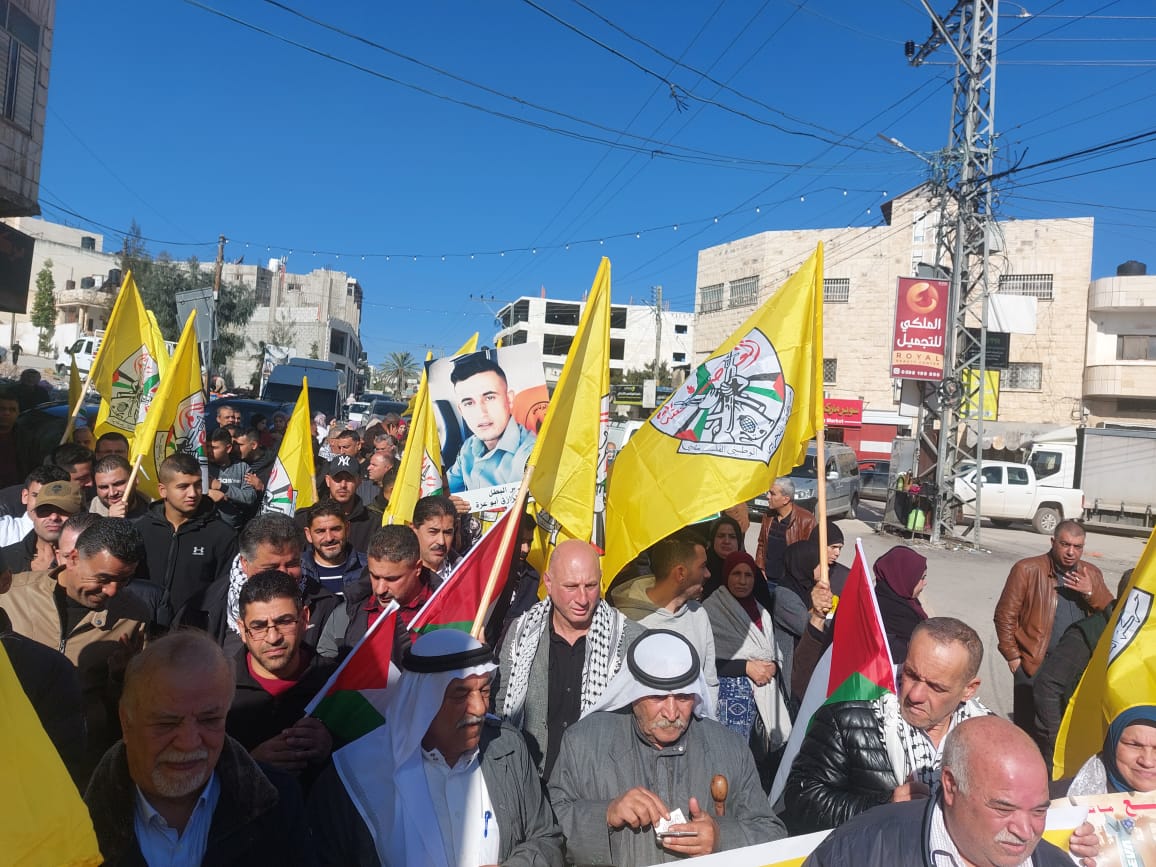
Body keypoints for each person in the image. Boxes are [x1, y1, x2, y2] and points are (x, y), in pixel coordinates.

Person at [309, 629, 565, 865]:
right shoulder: (351, 776)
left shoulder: (506, 748)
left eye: (484, 691)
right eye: (460, 695)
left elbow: (546, 838)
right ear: (423, 701)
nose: (479, 708)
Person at [549, 630, 787, 865]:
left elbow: (771, 833)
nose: (672, 713)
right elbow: (547, 831)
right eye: (657, 697)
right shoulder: (583, 744)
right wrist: (607, 814)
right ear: (633, 694)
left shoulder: (730, 748)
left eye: (683, 697)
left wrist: (721, 837)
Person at [83, 630, 315, 865]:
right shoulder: (73, 807)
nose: (189, 742)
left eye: (209, 720)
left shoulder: (278, 800)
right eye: (167, 723)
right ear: (126, 722)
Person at [781, 617, 990, 834]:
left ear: (969, 689)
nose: (915, 695)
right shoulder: (847, 717)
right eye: (911, 674)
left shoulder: (990, 738)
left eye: (936, 687)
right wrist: (883, 807)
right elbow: (801, 799)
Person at [803, 716, 1075, 867]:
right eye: (1004, 809)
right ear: (951, 786)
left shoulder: (1056, 863)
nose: (1025, 831)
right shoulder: (859, 851)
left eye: (1039, 811)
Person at [4, 516, 156, 775]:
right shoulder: (12, 595)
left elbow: (134, 708)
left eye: (124, 580)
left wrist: (120, 679)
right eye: (103, 578)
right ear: (72, 559)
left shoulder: (133, 615)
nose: (112, 591)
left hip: (79, 762)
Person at [497, 539, 644, 780]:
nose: (583, 598)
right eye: (571, 586)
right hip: (528, 782)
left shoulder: (630, 640)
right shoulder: (520, 633)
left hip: (598, 786)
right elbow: (501, 707)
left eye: (591, 585)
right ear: (548, 583)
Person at [994, 519, 1112, 746]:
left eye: (1077, 547)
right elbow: (1005, 615)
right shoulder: (1027, 569)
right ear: (1053, 542)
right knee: (1028, 735)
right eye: (1065, 544)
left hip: (1074, 667)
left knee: (1063, 733)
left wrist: (1091, 592)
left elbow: (1110, 614)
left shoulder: (1091, 573)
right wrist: (1013, 657)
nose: (1071, 552)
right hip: (1034, 664)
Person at [227, 570, 336, 780]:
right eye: (259, 626)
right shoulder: (216, 689)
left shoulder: (336, 682)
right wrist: (250, 765)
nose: (273, 637)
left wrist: (332, 748)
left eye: (284, 622)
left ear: (304, 619)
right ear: (242, 629)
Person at [703, 550, 792, 791]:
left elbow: (772, 651)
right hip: (728, 703)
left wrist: (773, 665)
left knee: (757, 763)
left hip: (761, 701)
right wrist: (746, 667)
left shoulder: (762, 612)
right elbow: (706, 659)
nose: (742, 581)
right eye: (736, 574)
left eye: (748, 575)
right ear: (726, 576)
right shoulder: (710, 611)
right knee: (729, 762)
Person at [1034, 569, 1130, 769]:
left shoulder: (1141, 636)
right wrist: (1057, 738)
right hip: (1078, 747)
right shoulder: (1090, 633)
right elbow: (1048, 686)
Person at [611, 534, 719, 707]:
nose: (708, 574)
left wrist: (708, 720)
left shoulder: (699, 614)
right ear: (680, 573)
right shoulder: (624, 619)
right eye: (703, 566)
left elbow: (709, 682)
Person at [134, 453, 238, 627]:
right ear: (162, 490)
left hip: (195, 633)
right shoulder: (140, 530)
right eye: (183, 487)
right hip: (143, 629)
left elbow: (225, 593)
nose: (193, 493)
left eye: (198, 485)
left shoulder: (223, 535)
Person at [317, 523, 436, 661]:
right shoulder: (346, 614)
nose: (380, 589)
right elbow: (326, 664)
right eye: (375, 576)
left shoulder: (444, 612)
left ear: (417, 568)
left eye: (391, 579)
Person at [444, 353, 536, 494]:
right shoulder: (468, 447)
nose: (481, 412)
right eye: (469, 403)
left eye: (489, 397)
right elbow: (449, 488)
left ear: (509, 399)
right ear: (461, 410)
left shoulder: (530, 455)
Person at [2, 479, 83, 572]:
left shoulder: (90, 557)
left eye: (63, 510)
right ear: (34, 514)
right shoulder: (6, 559)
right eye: (45, 510)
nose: (53, 517)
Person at [873, 545, 929, 664]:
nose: (925, 583)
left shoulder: (903, 600)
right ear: (904, 577)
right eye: (921, 578)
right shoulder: (892, 613)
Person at [755, 477, 817, 583]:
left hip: (790, 584)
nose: (768, 496)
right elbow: (761, 543)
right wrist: (760, 568)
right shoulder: (768, 516)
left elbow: (812, 554)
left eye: (772, 494)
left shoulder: (806, 520)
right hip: (767, 580)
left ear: (786, 499)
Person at [301, 501, 367, 596]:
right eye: (320, 531)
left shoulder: (368, 568)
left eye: (335, 529)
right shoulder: (297, 571)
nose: (329, 538)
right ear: (308, 534)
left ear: (347, 529)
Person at [313, 455, 374, 553]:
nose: (343, 485)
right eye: (338, 479)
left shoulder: (373, 522)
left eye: (349, 479)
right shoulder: (309, 518)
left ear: (359, 481)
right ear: (327, 480)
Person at [205, 427, 256, 528]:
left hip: (235, 528)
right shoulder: (202, 468)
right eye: (207, 447)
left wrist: (221, 487)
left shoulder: (242, 468)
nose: (209, 451)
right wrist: (208, 494)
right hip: (207, 527)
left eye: (214, 448)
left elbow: (250, 497)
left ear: (228, 448)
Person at [413, 494, 460, 581]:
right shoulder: (400, 575)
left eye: (447, 533)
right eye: (433, 532)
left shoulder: (466, 572)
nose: (441, 541)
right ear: (414, 530)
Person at [89, 454, 149, 520]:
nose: (112, 493)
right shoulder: (86, 517)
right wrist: (111, 521)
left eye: (118, 484)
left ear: (135, 479)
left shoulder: (155, 511)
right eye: (104, 487)